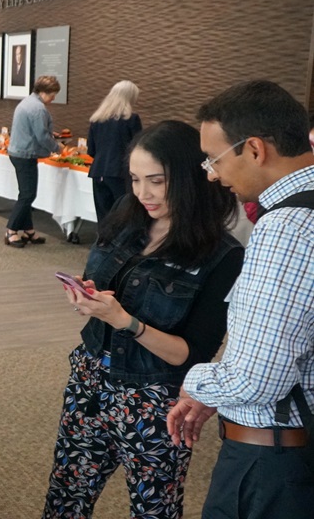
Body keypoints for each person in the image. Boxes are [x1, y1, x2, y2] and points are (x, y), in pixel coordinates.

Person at [43, 120, 244, 519]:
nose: (142, 193)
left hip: (154, 400)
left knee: (154, 508)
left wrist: (125, 321)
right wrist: (88, 296)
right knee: (66, 496)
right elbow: (104, 278)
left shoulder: (222, 255)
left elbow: (190, 355)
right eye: (134, 179)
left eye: (156, 180)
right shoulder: (128, 215)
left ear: (191, 178)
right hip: (90, 378)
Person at [167, 80, 314, 519]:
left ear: (254, 149)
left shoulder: (286, 228)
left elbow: (258, 380)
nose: (212, 174)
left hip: (272, 462)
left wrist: (197, 382)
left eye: (214, 159)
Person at [6, 75, 61, 247]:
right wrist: (58, 148)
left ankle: (28, 230)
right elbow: (42, 136)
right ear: (44, 92)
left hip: (18, 152)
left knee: (26, 193)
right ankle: (11, 231)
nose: (54, 98)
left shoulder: (27, 102)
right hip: (25, 154)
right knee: (28, 195)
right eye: (53, 94)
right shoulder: (38, 108)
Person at [87, 80, 143, 222]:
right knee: (123, 214)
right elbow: (138, 148)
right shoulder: (132, 119)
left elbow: (91, 150)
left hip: (98, 172)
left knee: (103, 215)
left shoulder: (96, 119)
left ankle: (103, 243)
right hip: (120, 173)